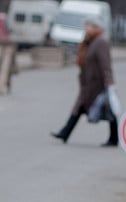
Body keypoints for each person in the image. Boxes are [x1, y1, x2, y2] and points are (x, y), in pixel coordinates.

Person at [51, 18, 118, 147]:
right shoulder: (89, 42)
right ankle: (65, 132)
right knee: (80, 107)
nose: (86, 28)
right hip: (88, 84)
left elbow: (106, 64)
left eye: (89, 26)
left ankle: (114, 138)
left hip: (98, 84)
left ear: (96, 27)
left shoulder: (101, 43)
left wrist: (109, 83)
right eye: (86, 25)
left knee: (108, 109)